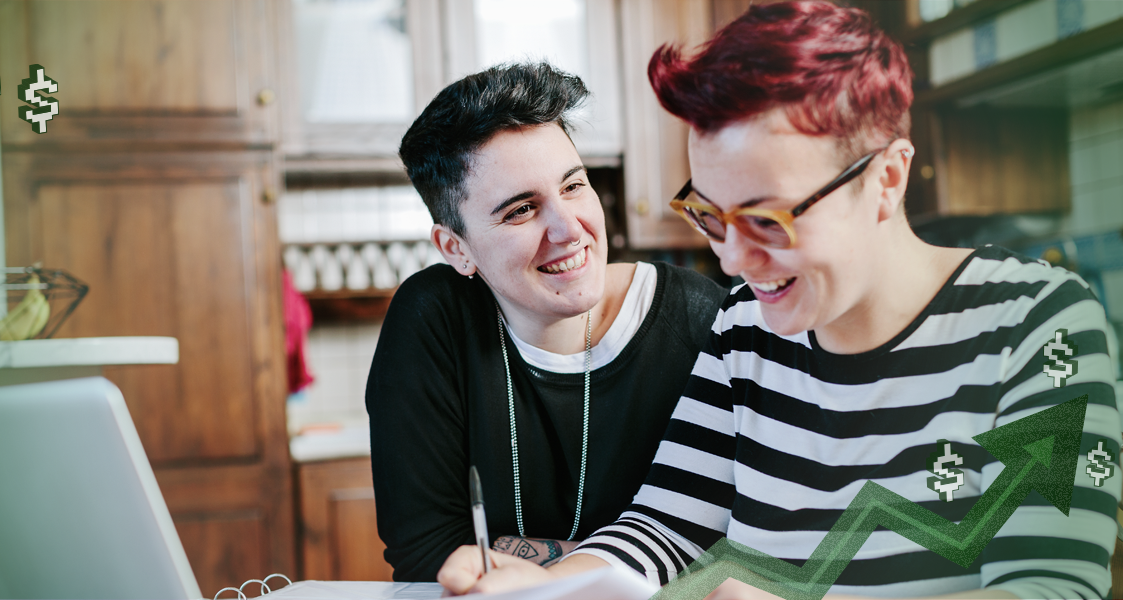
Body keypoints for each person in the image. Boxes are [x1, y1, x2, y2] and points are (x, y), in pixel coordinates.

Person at [436, 3, 1121, 599]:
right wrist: (554, 584)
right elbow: (667, 525)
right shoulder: (744, 331)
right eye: (712, 215)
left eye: (769, 220)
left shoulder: (1040, 327)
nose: (733, 259)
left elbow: (1053, 588)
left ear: (886, 178)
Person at [366, 62, 729, 582]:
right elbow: (427, 552)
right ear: (457, 248)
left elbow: (730, 548)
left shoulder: (700, 321)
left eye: (574, 186)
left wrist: (516, 556)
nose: (567, 228)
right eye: (520, 210)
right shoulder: (433, 320)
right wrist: (609, 568)